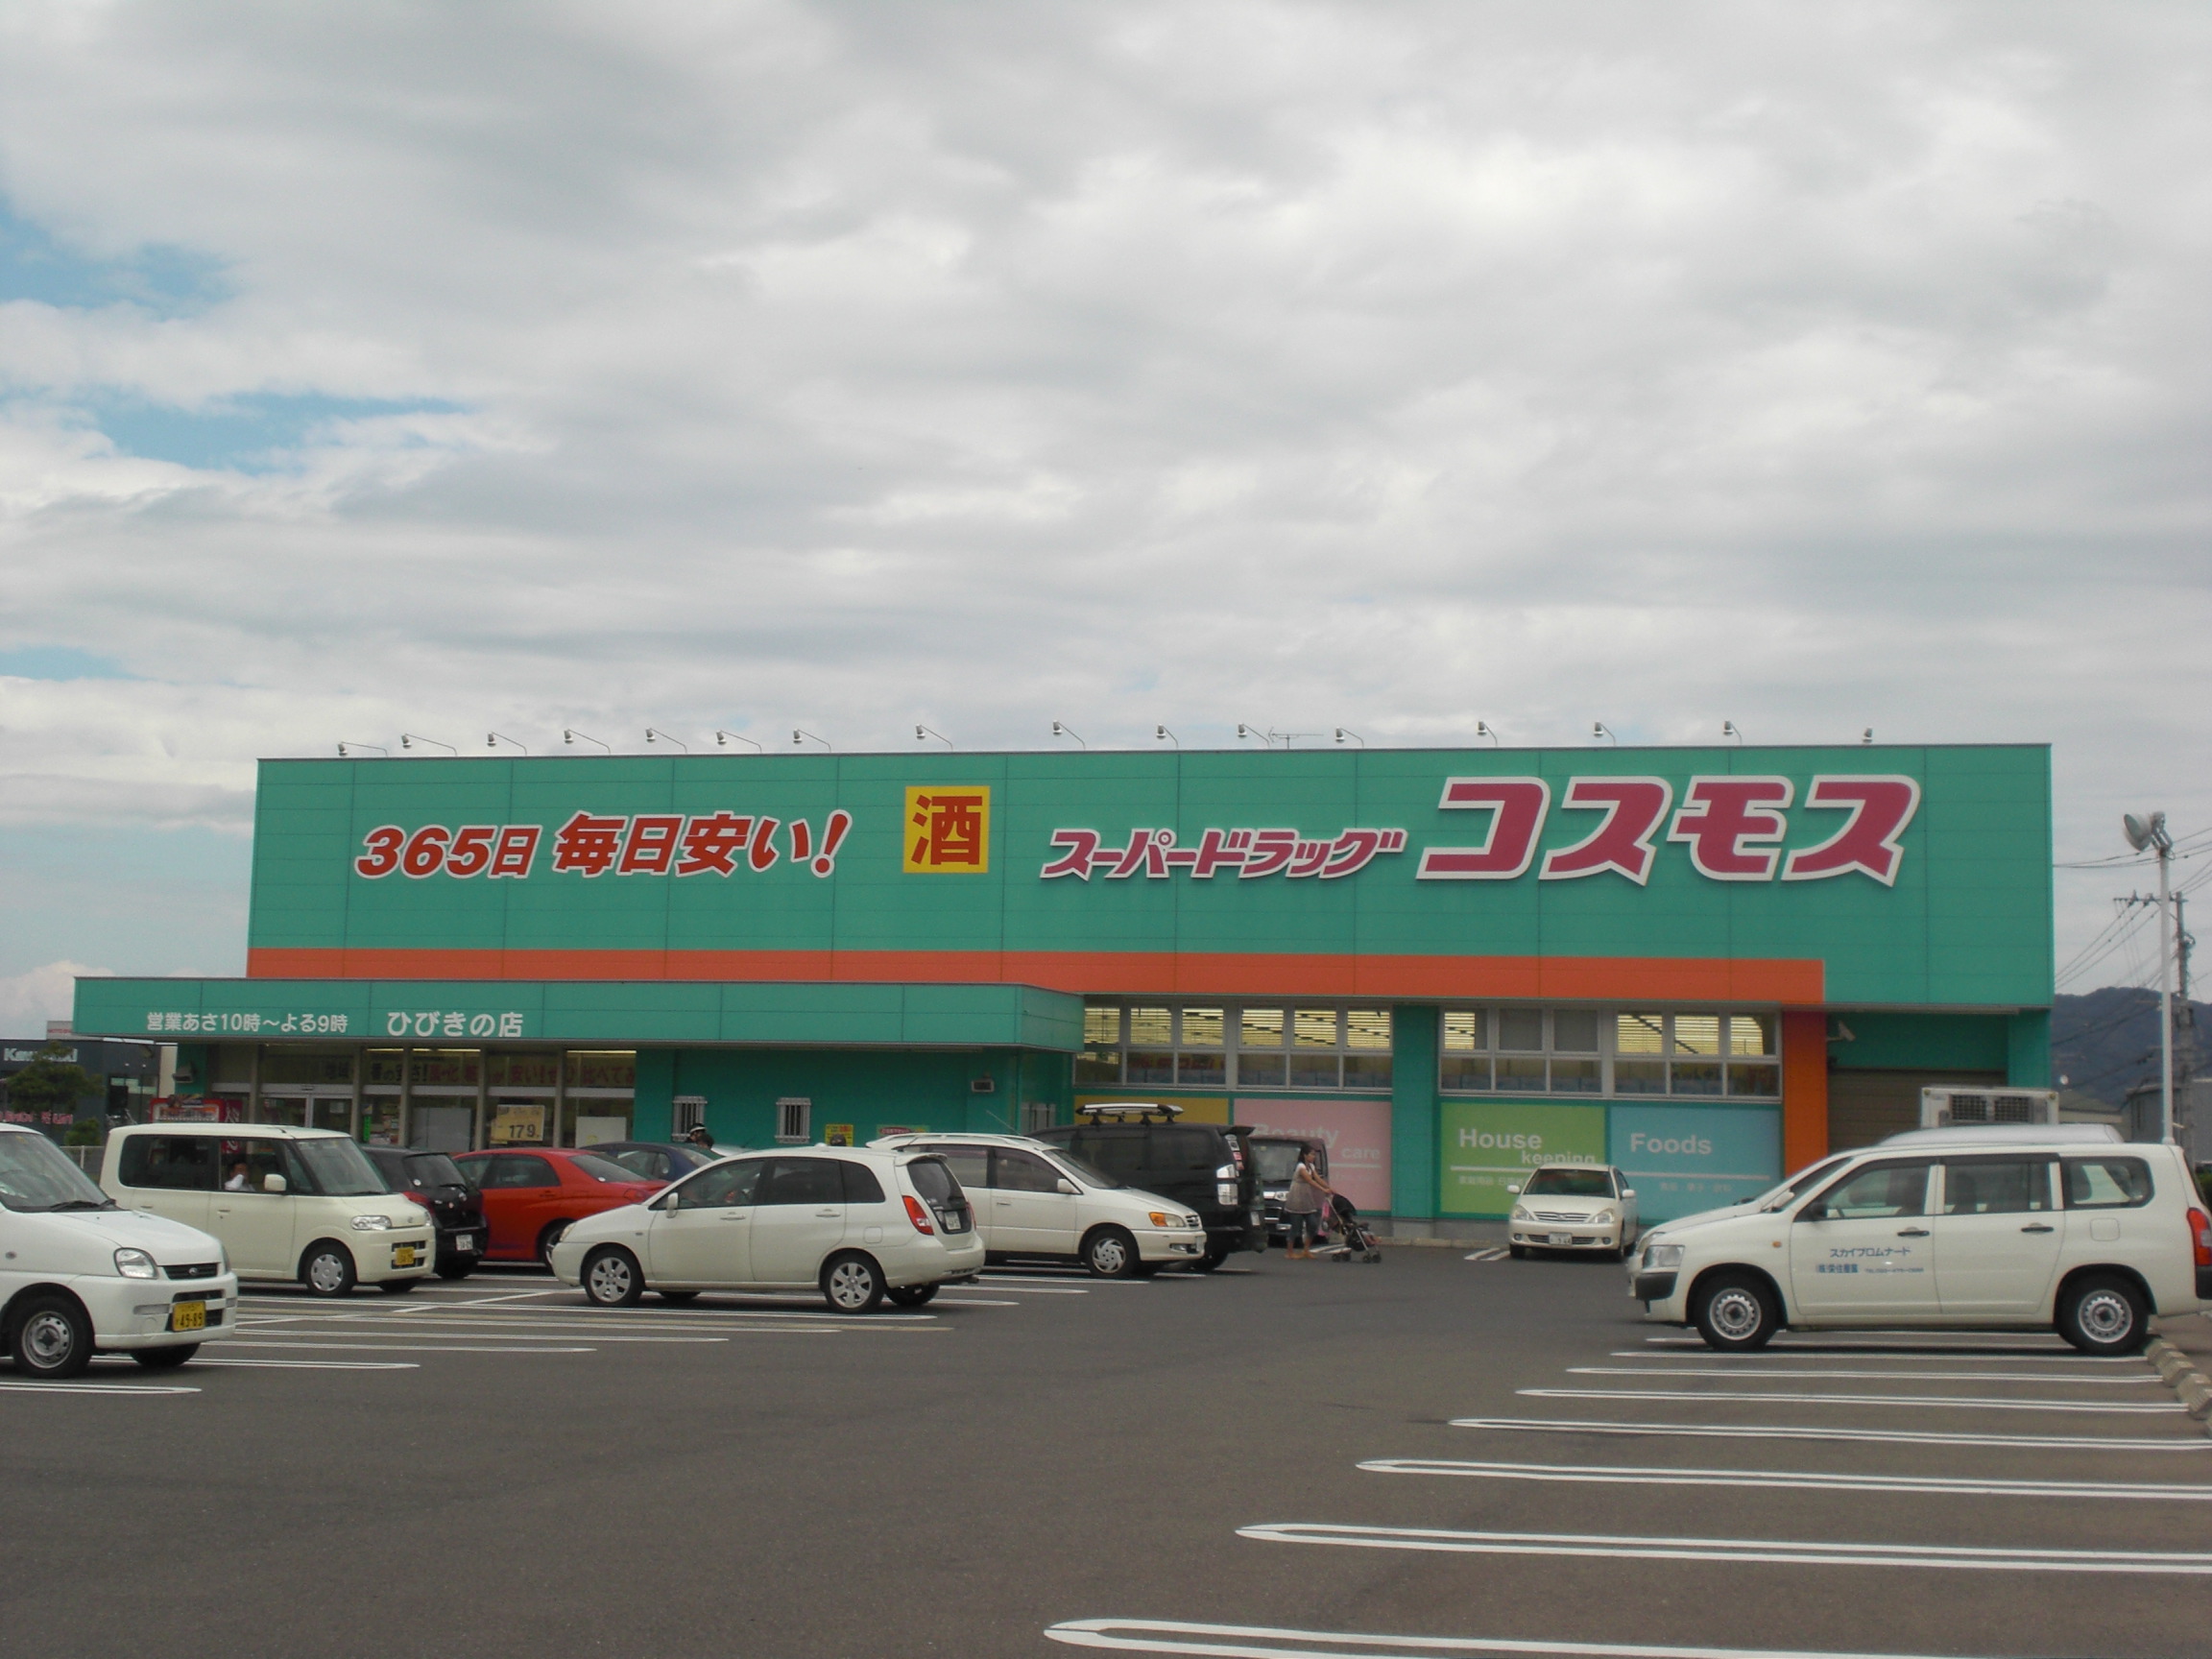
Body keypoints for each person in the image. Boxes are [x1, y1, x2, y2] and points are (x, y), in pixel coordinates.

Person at [1283, 1145, 1331, 1260]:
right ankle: (1289, 1252)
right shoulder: (1301, 1166)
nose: (1313, 1157)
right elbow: (1309, 1180)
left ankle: (1306, 1250)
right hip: (1297, 1197)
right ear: (1305, 1155)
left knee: (1313, 1224)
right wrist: (1323, 1190)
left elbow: (1317, 1179)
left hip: (1306, 1198)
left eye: (1314, 1155)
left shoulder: (1311, 1166)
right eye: (1311, 1154)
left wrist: (1329, 1187)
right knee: (1296, 1227)